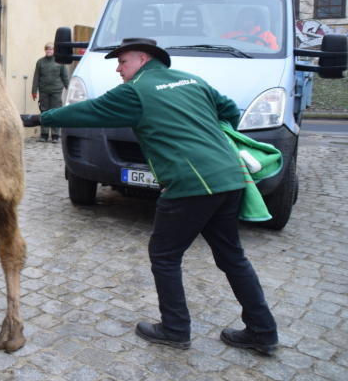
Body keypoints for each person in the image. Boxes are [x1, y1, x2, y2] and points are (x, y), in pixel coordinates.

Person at [21, 38, 278, 355]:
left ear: (142, 58)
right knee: (232, 257)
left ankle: (174, 328)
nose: (118, 68)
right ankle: (262, 331)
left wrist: (35, 119)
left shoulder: (136, 91)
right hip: (230, 178)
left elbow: (87, 111)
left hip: (191, 184)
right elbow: (227, 110)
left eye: (122, 62)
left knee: (165, 255)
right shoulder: (193, 80)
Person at [31, 42, 69, 142]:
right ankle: (44, 135)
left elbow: (65, 77)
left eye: (51, 49)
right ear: (45, 50)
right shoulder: (40, 62)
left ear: (54, 51)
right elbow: (36, 77)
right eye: (47, 49)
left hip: (56, 90)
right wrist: (34, 91)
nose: (49, 51)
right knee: (44, 112)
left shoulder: (60, 62)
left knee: (55, 112)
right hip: (43, 91)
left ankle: (55, 135)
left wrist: (69, 88)